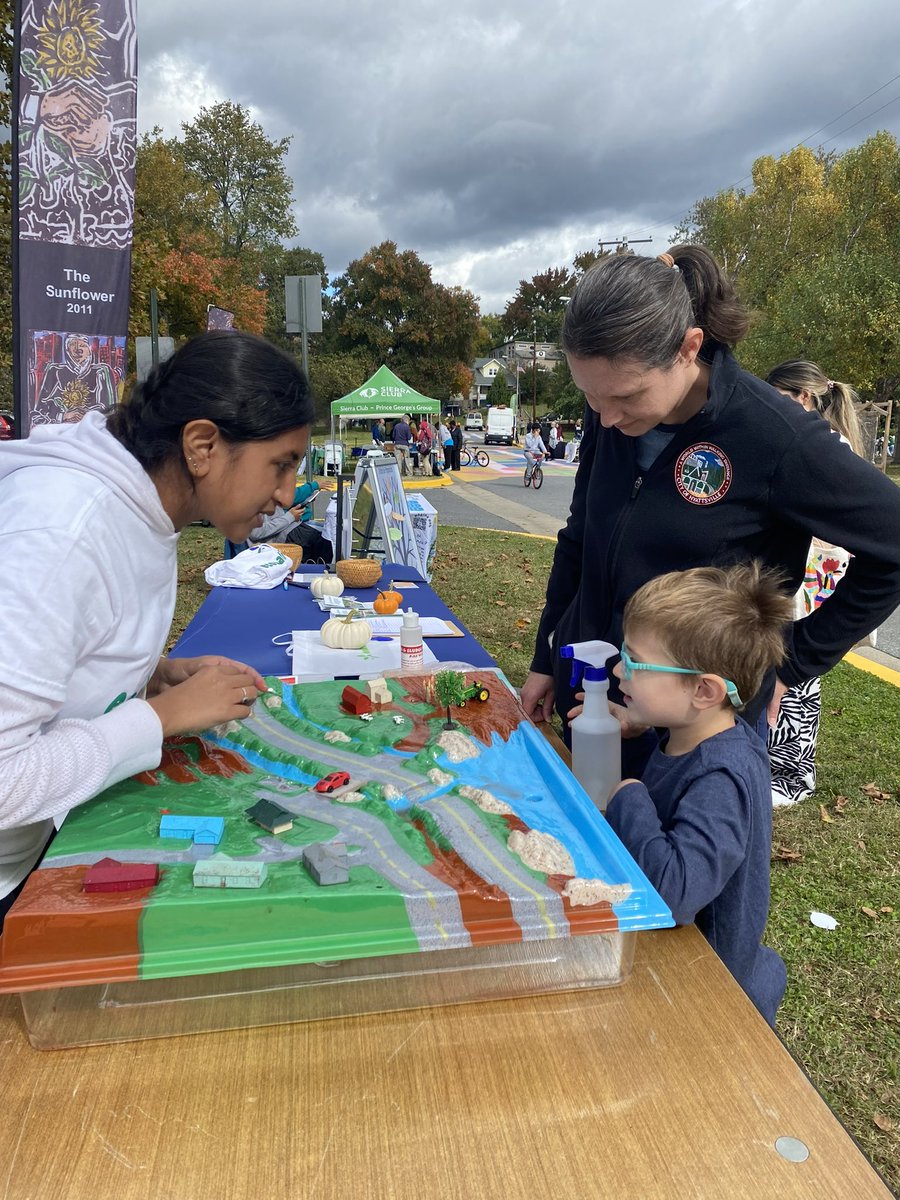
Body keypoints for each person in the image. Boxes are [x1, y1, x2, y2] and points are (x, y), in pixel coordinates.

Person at [519, 245, 900, 771]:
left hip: (689, 738)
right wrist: (547, 657)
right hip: (592, 698)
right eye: (590, 396)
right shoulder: (609, 411)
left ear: (687, 347)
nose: (605, 418)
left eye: (626, 398)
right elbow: (581, 537)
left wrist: (791, 662)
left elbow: (894, 547)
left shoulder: (775, 436)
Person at [0, 330, 314, 925]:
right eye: (280, 464)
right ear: (201, 445)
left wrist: (154, 677)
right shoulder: (60, 534)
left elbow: (68, 655)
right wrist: (160, 718)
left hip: (38, 850)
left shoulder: (146, 509)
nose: (285, 494)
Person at [604, 563, 794, 1026]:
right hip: (676, 960)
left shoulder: (721, 778)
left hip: (706, 987)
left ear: (704, 690)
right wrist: (641, 736)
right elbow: (674, 795)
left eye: (633, 662)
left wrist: (629, 798)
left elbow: (675, 893)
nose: (616, 669)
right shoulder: (696, 731)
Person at [764, 360, 866, 806]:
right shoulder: (825, 441)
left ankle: (792, 775)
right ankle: (781, 765)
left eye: (777, 397)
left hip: (815, 574)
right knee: (793, 666)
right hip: (814, 572)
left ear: (802, 397)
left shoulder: (820, 445)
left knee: (800, 670)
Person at [249, 479, 333, 564]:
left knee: (328, 534)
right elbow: (256, 533)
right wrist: (290, 517)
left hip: (289, 527)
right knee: (327, 541)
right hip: (283, 536)